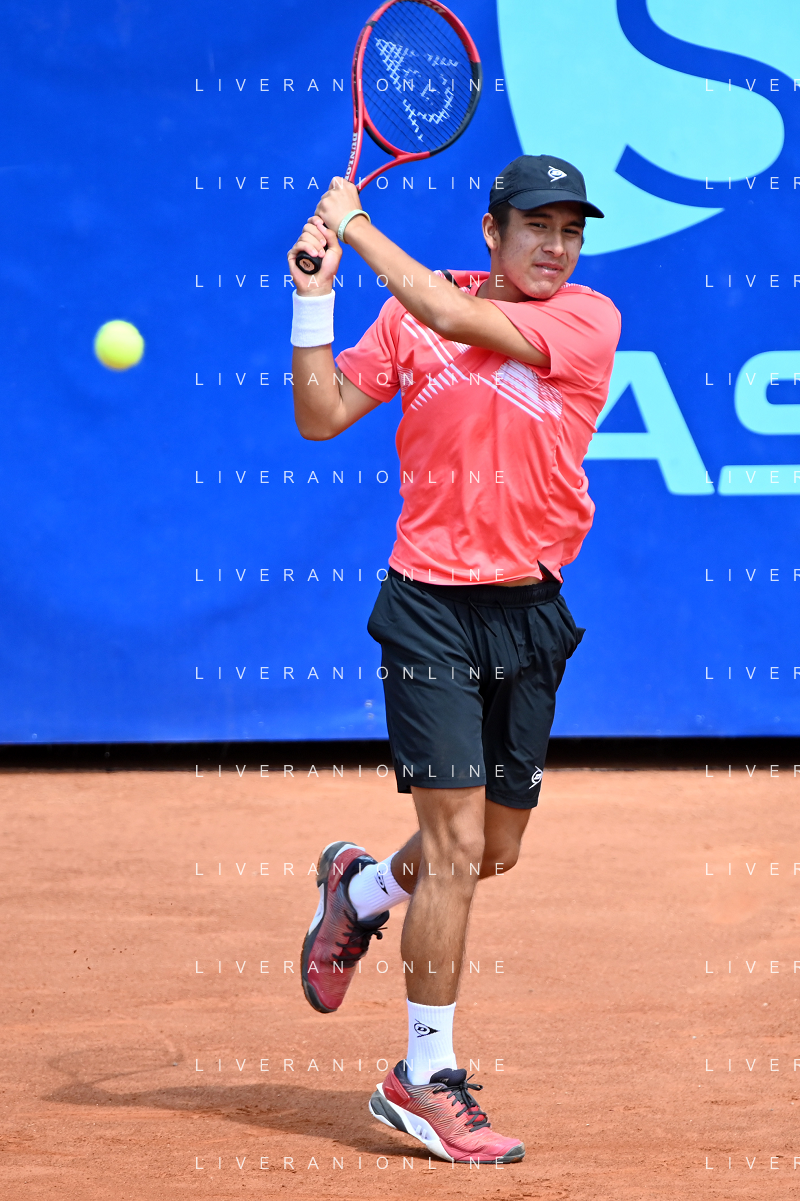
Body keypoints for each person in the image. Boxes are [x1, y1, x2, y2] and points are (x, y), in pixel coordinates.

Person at [287, 155, 620, 1165]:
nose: (555, 246)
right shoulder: (409, 315)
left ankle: (357, 894)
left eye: (569, 230)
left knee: (490, 849)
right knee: (455, 846)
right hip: (427, 607)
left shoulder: (585, 318)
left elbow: (452, 313)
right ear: (492, 231)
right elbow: (321, 413)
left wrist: (355, 224)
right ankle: (422, 1075)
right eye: (536, 226)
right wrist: (313, 300)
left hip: (528, 612)